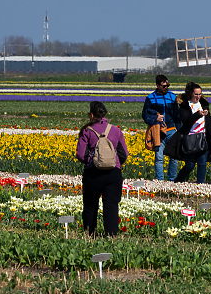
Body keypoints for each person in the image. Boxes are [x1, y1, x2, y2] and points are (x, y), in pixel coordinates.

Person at [75, 101, 128, 237]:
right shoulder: (116, 130)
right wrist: (115, 163)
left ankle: (90, 234)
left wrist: (90, 161)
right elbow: (124, 154)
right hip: (113, 173)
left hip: (93, 173)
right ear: (105, 114)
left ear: (91, 115)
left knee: (90, 205)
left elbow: (81, 154)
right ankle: (111, 236)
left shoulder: (86, 130)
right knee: (111, 206)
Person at [141, 74, 179, 181]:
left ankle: (172, 181)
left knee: (174, 157)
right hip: (158, 131)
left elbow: (177, 116)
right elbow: (145, 115)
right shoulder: (150, 98)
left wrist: (180, 131)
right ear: (157, 85)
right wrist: (155, 119)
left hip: (171, 130)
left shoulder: (172, 97)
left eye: (167, 85)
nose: (166, 88)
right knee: (159, 158)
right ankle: (160, 181)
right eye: (163, 86)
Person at [175, 82, 211, 183]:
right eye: (196, 94)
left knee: (202, 164)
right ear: (190, 93)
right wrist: (197, 115)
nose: (198, 96)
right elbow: (185, 120)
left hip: (202, 138)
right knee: (190, 166)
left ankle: (200, 185)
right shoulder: (185, 106)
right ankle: (177, 182)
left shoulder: (203, 105)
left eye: (200, 94)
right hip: (190, 138)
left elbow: (209, 121)